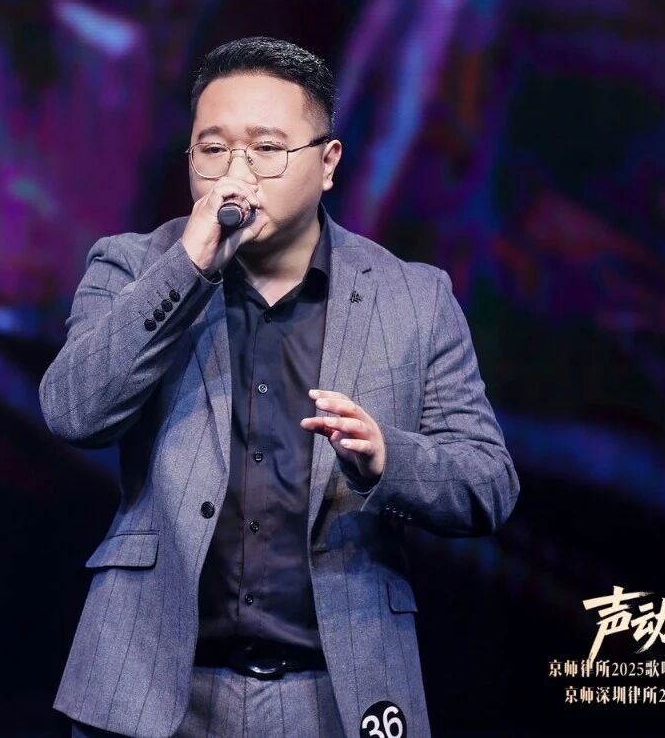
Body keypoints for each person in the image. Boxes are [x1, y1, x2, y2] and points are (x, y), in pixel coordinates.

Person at [41, 36, 519, 738]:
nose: (236, 174)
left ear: (327, 163)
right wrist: (188, 267)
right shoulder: (131, 267)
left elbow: (488, 483)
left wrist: (387, 459)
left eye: (266, 149)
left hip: (336, 693)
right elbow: (73, 411)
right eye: (213, 150)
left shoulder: (414, 299)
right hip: (150, 688)